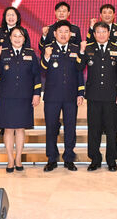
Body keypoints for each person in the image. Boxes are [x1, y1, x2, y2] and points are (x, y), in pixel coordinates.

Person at [0, 26, 41, 172]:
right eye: (14, 36)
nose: (17, 39)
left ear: (24, 38)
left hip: (25, 97)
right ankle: (10, 159)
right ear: (10, 38)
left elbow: (36, 76)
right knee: (8, 129)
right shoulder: (3, 52)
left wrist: (36, 93)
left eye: (20, 36)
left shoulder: (30, 53)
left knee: (20, 129)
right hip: (7, 96)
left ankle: (18, 158)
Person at [40, 20, 86, 172]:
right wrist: (46, 57)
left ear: (70, 34)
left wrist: (80, 93)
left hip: (70, 96)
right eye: (61, 31)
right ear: (55, 34)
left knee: (70, 128)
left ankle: (69, 158)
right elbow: (42, 70)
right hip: (52, 96)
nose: (64, 34)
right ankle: (52, 159)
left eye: (67, 32)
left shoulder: (75, 49)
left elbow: (79, 71)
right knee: (51, 128)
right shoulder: (48, 48)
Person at [83, 22, 117, 172]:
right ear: (94, 34)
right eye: (98, 32)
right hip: (93, 96)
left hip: (111, 96)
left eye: (104, 31)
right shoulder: (88, 49)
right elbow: (79, 68)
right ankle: (95, 159)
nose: (101, 34)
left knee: (111, 129)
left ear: (109, 33)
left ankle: (111, 159)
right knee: (93, 129)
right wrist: (81, 52)